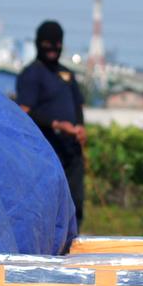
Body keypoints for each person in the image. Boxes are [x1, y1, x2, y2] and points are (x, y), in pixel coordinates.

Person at [17, 20, 87, 227]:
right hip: (47, 152)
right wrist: (56, 124)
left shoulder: (66, 74)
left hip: (71, 151)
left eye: (57, 45)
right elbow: (24, 111)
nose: (53, 50)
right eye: (48, 45)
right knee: (49, 205)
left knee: (75, 202)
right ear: (39, 44)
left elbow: (78, 105)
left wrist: (80, 128)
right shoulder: (31, 74)